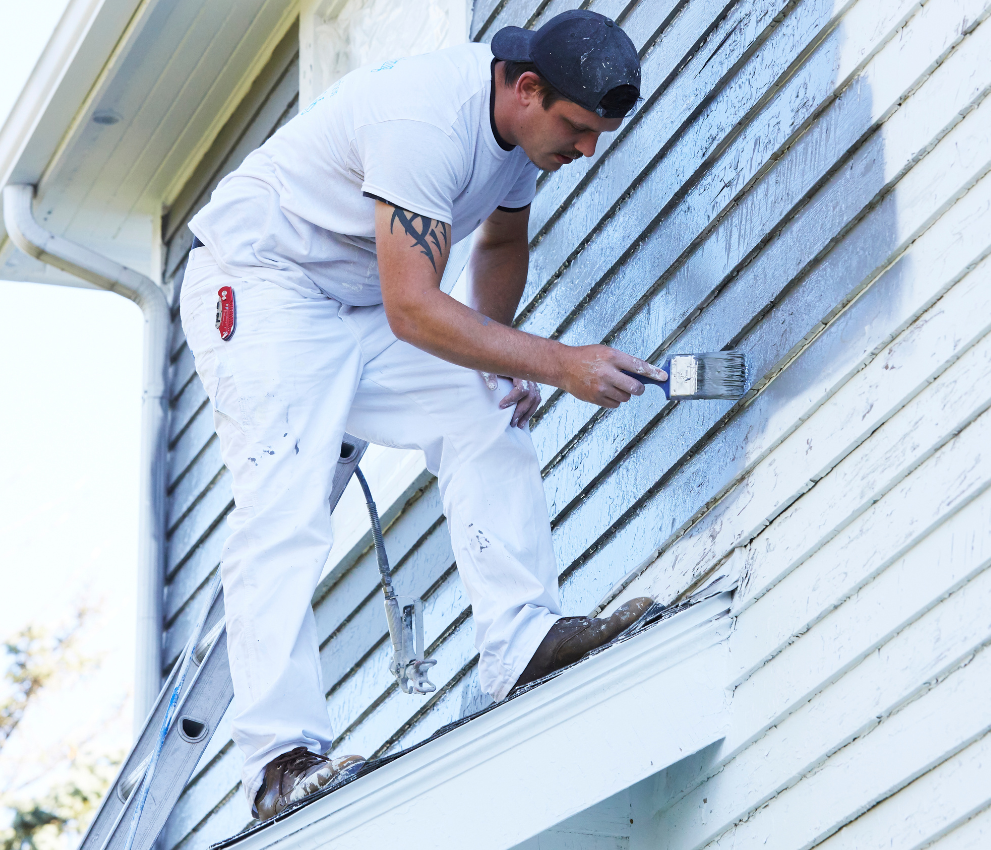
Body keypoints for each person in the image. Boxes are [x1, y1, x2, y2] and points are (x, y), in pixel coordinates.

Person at [178, 10, 664, 820]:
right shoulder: (426, 121)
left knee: (483, 408)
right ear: (527, 88)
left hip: (358, 303)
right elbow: (414, 308)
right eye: (579, 129)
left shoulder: (517, 139)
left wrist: (505, 357)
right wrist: (555, 361)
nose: (587, 150)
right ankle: (278, 761)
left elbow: (501, 247)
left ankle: (520, 643)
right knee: (285, 504)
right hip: (262, 286)